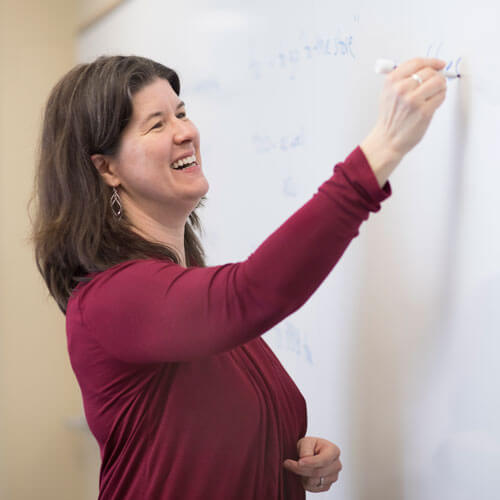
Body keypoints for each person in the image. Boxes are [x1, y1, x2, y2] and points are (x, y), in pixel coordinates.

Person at [30, 54, 447, 499]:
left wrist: (289, 454)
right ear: (106, 168)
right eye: (156, 124)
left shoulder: (197, 303)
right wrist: (384, 146)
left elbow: (210, 437)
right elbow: (252, 292)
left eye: (182, 113)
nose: (186, 131)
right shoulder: (111, 297)